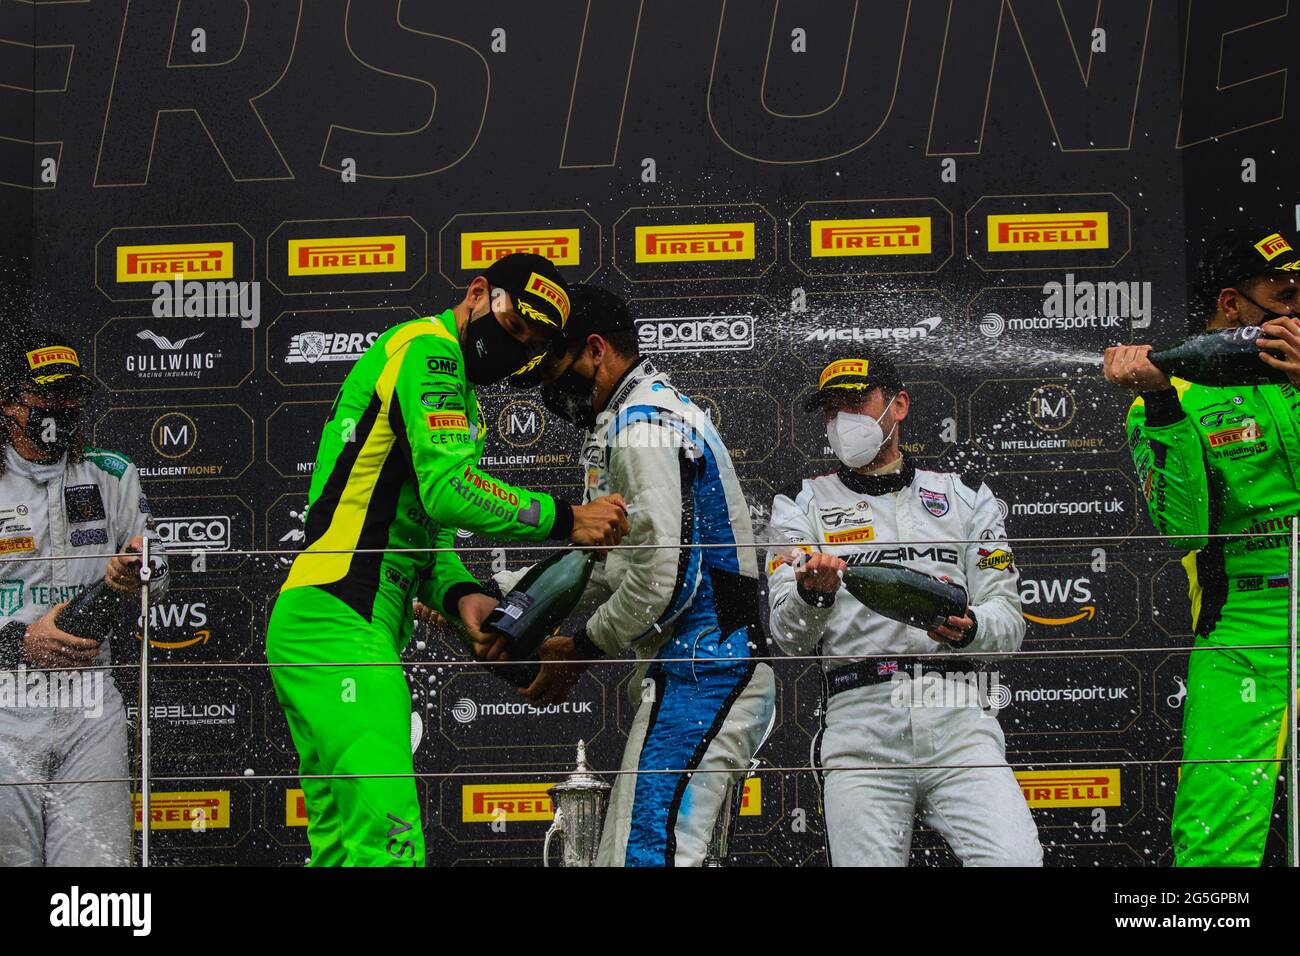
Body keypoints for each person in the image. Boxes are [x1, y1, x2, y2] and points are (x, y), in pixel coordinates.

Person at [267, 253, 628, 867]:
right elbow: (449, 489)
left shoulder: (454, 387)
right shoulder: (428, 350)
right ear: (479, 293)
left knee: (343, 849)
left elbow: (422, 529)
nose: (513, 348)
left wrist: (464, 596)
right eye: (512, 327)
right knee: (389, 841)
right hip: (337, 615)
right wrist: (567, 519)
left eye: (530, 345)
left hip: (346, 617)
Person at [491, 285, 776, 866]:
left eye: (554, 366)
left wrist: (578, 649)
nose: (548, 386)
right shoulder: (634, 415)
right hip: (702, 665)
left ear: (596, 350)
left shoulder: (643, 426)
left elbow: (658, 580)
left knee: (646, 857)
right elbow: (612, 565)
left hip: (710, 668)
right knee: (631, 856)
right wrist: (496, 601)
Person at [766, 354, 1042, 866]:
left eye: (855, 402)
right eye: (831, 410)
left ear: (899, 405)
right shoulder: (797, 506)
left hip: (959, 719)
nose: (842, 420)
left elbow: (1010, 620)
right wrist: (814, 594)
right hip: (860, 724)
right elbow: (788, 633)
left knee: (1016, 860)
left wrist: (970, 629)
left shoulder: (965, 498)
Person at [1103, 227, 1300, 866]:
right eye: (1286, 294)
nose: (1298, 311)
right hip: (1245, 627)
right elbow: (1183, 529)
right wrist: (1159, 404)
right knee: (1215, 837)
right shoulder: (1174, 391)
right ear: (1233, 305)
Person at [0, 328, 167, 866]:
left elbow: (157, 569)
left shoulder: (113, 474)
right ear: (8, 402)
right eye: (45, 395)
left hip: (88, 708)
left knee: (97, 877)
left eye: (71, 394)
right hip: (5, 709)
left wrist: (139, 568)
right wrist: (19, 641)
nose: (60, 407)